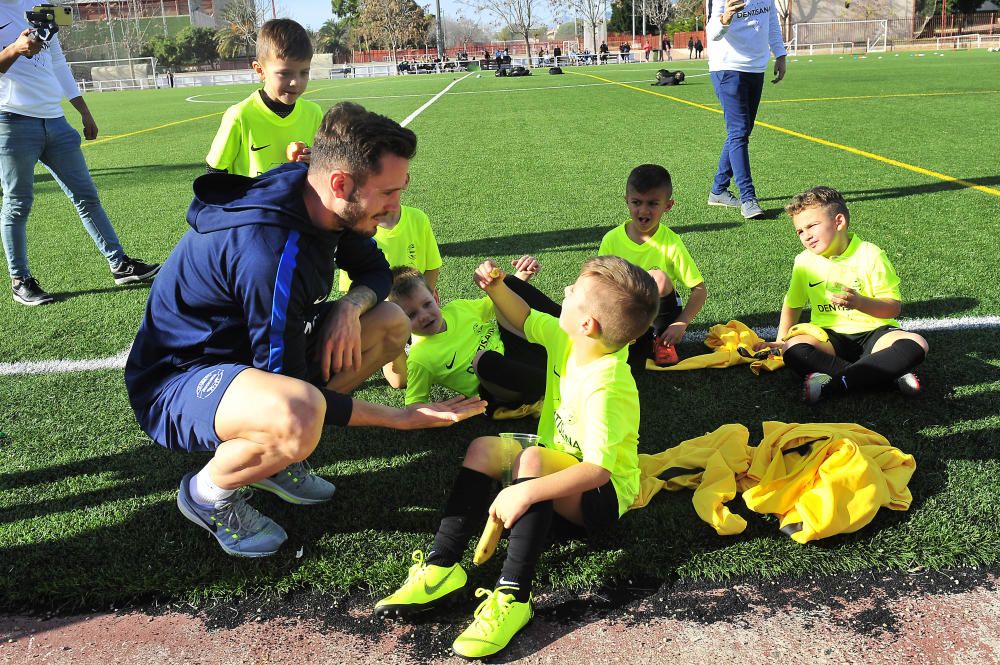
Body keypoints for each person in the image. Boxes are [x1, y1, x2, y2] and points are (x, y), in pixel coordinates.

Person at [124, 102, 486, 559]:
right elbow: (293, 388)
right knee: (297, 415)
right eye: (388, 192)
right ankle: (206, 494)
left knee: (389, 322)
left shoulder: (321, 198)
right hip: (177, 381)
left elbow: (375, 271)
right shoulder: (270, 252)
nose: (396, 207)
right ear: (341, 183)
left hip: (246, 363)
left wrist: (350, 307)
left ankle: (273, 462)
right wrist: (402, 417)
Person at [373, 256, 659, 659]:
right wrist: (495, 287)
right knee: (482, 449)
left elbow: (599, 470)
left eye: (573, 292)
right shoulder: (570, 340)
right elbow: (524, 317)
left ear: (587, 324)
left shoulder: (608, 383)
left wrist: (525, 494)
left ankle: (514, 598)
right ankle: (443, 566)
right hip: (555, 467)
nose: (564, 293)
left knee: (533, 462)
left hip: (603, 498)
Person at [0, 6, 160, 306]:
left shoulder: (40, 7)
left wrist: (84, 112)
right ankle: (20, 280)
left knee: (86, 196)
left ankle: (119, 265)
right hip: (11, 121)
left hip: (54, 120)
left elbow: (58, 63)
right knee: (17, 204)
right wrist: (15, 49)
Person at [755, 187, 928, 404]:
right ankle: (886, 376)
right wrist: (781, 340)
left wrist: (859, 302)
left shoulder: (870, 254)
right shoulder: (804, 261)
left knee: (916, 343)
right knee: (793, 349)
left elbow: (892, 308)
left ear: (839, 222)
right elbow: (793, 303)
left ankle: (833, 384)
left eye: (812, 226)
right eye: (800, 231)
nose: (806, 236)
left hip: (875, 334)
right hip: (828, 338)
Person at [388, 256, 560, 414]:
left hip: (523, 359)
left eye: (426, 304)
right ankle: (554, 385)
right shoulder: (420, 358)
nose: (424, 315)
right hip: (504, 391)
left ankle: (571, 336)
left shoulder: (458, 309)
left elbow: (499, 300)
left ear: (436, 297)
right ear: (398, 320)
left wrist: (520, 276)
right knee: (484, 360)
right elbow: (413, 406)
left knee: (506, 284)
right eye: (411, 315)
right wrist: (437, 411)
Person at [598, 164, 707, 373]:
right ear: (626, 201)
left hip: (658, 318)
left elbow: (700, 290)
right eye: (637, 202)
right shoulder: (611, 239)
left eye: (653, 204)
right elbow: (597, 281)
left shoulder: (671, 243)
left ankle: (661, 342)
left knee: (657, 277)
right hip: (625, 316)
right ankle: (622, 339)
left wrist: (681, 323)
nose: (644, 211)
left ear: (668, 205)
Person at [338, 203, 443, 388]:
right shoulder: (358, 230)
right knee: (399, 380)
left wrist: (424, 301)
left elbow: (433, 267)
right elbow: (352, 291)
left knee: (440, 359)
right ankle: (391, 346)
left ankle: (411, 338)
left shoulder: (418, 218)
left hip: (418, 309)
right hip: (385, 316)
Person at [206, 19, 323, 178]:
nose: (296, 82)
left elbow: (325, 165)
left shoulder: (313, 113)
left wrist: (315, 160)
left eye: (304, 72)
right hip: (254, 203)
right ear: (260, 70)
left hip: (297, 203)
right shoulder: (239, 116)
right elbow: (214, 171)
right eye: (284, 73)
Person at [705, 0, 787, 220]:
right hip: (728, 67)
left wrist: (780, 54)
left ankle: (719, 190)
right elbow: (712, 33)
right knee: (739, 132)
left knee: (740, 132)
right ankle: (748, 198)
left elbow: (771, 22)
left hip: (756, 68)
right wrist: (725, 19)